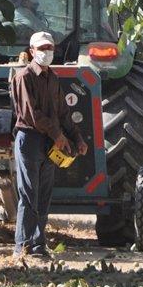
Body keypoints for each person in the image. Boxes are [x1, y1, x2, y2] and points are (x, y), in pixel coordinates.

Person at [9, 30, 87, 258]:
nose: (46, 52)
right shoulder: (23, 77)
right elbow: (31, 114)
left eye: (49, 48)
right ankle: (21, 247)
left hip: (49, 143)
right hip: (29, 139)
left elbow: (63, 113)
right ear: (31, 51)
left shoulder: (53, 78)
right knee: (28, 194)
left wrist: (78, 139)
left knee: (44, 195)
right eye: (42, 49)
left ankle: (38, 245)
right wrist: (58, 136)